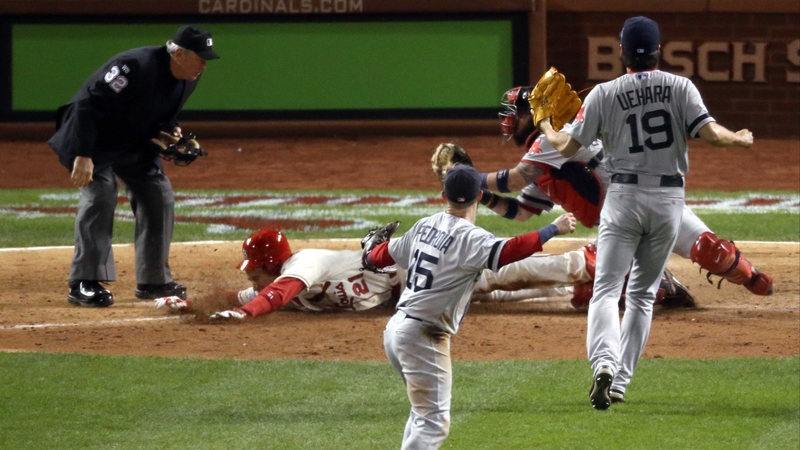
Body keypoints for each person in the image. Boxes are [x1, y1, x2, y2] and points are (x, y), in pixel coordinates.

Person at [534, 16, 755, 410]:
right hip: (668, 201)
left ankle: (604, 364)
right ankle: (620, 383)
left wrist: (546, 124)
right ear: (658, 50)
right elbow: (711, 134)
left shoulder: (604, 93)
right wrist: (738, 138)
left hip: (624, 197)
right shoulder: (680, 86)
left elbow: (566, 147)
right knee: (641, 296)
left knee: (606, 291)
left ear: (622, 52)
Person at [434, 82, 773, 307]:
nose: (511, 120)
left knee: (708, 251)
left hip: (636, 204)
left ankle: (746, 277)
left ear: (534, 114)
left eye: (517, 113)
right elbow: (520, 211)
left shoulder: (550, 141)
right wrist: (481, 195)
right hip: (633, 213)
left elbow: (514, 179)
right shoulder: (545, 160)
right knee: (594, 287)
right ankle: (673, 283)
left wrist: (465, 178)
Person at [361, 165, 576, 449]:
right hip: (424, 337)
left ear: (444, 195)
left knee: (423, 414)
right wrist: (554, 228)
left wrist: (368, 254)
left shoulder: (424, 225)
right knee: (433, 422)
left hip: (396, 331)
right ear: (479, 195)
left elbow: (381, 255)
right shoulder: (472, 238)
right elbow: (509, 250)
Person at [47, 25, 219, 307]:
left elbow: (161, 112)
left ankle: (154, 281)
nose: (204, 65)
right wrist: (83, 155)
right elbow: (87, 106)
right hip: (91, 140)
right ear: (178, 54)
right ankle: (84, 282)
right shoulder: (133, 66)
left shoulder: (189, 77)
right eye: (200, 58)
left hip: (131, 143)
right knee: (101, 196)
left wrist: (172, 132)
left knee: (158, 193)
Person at [157, 228, 595, 317]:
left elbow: (279, 292)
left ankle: (584, 263)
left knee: (498, 275)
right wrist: (188, 304)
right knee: (488, 298)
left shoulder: (302, 265)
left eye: (255, 271)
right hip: (408, 295)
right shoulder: (279, 285)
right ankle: (574, 293)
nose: (251, 279)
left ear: (272, 264)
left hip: (419, 272)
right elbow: (243, 297)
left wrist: (249, 313)